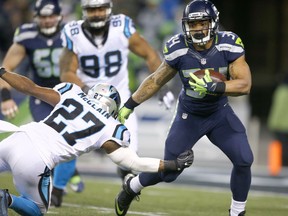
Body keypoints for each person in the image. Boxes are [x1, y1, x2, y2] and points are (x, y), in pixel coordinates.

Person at [114, 0, 253, 216]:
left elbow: (244, 85)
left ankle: (237, 212)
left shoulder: (229, 44)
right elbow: (155, 80)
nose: (197, 29)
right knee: (171, 170)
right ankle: (132, 186)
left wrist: (217, 86)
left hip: (219, 112)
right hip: (190, 115)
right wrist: (129, 105)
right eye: (193, 24)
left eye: (203, 23)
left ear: (214, 23)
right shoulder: (178, 47)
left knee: (244, 159)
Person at [0, 67, 194, 216]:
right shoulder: (111, 126)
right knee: (37, 210)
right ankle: (5, 199)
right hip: (36, 158)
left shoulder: (72, 92)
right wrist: (172, 164)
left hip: (18, 137)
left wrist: (3, 72)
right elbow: (133, 163)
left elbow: (30, 88)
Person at [57, 0, 175, 205]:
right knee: (63, 145)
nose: (97, 14)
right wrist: (88, 92)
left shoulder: (122, 27)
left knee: (129, 152)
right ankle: (55, 187)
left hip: (120, 100)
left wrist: (161, 87)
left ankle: (127, 185)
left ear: (109, 10)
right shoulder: (73, 32)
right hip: (86, 97)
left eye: (101, 9)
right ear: (84, 11)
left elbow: (149, 53)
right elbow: (66, 72)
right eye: (92, 9)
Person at [0, 0, 85, 200]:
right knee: (48, 140)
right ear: (36, 17)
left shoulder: (72, 34)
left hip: (68, 94)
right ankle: (59, 181)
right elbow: (6, 69)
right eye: (43, 16)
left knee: (71, 139)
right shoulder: (27, 35)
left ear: (60, 16)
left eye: (51, 16)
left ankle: (59, 186)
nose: (47, 21)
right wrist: (5, 97)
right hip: (40, 94)